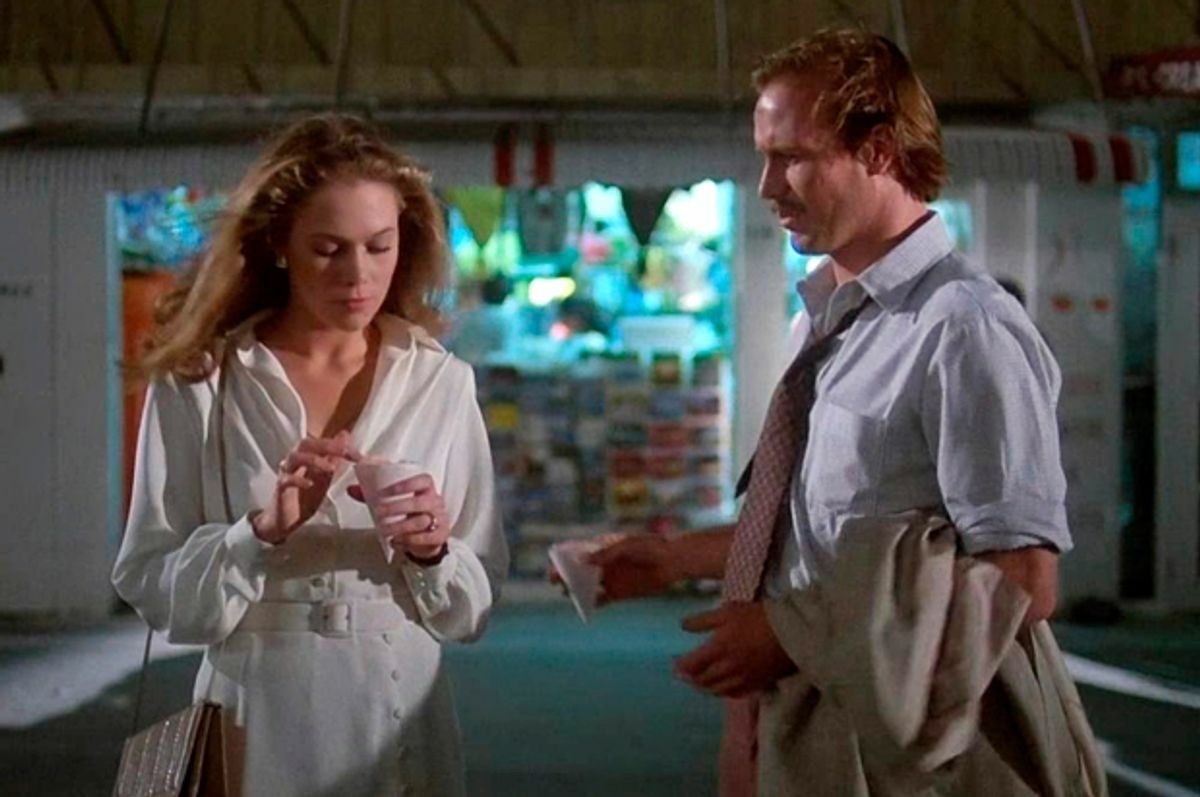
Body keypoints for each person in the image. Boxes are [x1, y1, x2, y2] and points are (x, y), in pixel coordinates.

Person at [589, 28, 1078, 795]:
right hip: (823, 736)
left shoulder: (963, 328)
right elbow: (823, 534)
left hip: (922, 757)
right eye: (764, 156)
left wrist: (793, 637)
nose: (766, 186)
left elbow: (1020, 579)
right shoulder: (825, 319)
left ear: (878, 151)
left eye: (792, 157)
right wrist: (674, 557)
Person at [112, 114, 508, 797]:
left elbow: (472, 608)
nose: (359, 274)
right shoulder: (203, 380)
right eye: (329, 249)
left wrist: (432, 551)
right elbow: (149, 578)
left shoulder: (439, 380)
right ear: (279, 246)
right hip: (255, 711)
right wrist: (258, 532)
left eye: (380, 246)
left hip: (398, 706)